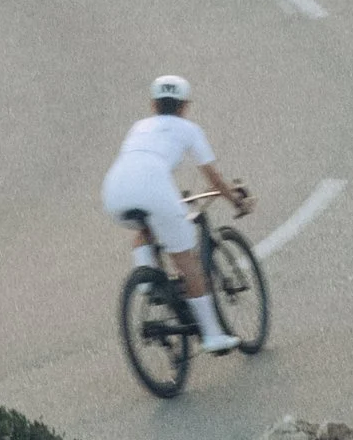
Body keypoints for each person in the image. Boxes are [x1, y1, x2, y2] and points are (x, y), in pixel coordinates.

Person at [102, 73, 250, 352]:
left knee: (145, 229)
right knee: (186, 262)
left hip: (114, 190)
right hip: (155, 189)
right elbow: (214, 179)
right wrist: (236, 201)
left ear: (153, 105)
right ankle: (212, 336)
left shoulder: (139, 126)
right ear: (184, 106)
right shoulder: (188, 128)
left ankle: (148, 283)